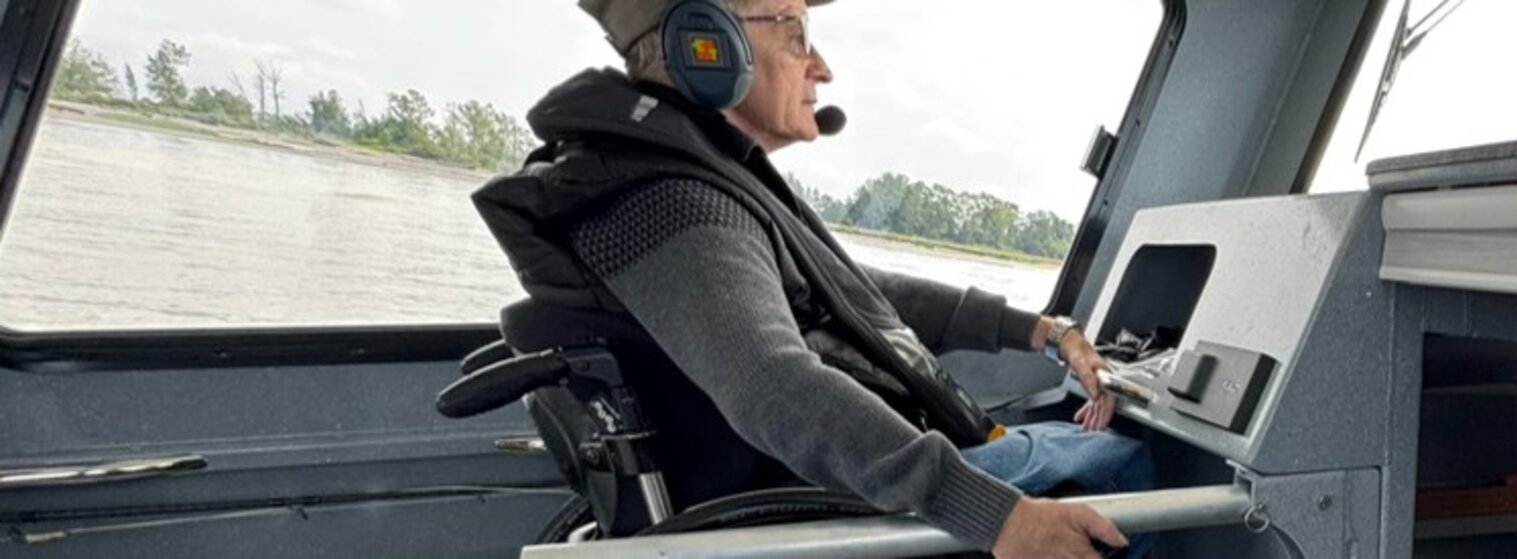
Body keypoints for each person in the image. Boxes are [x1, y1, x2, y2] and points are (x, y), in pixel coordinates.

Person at [470, 1, 1146, 557]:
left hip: (819, 496)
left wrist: (1041, 330)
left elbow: (855, 295)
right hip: (823, 514)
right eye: (794, 31)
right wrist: (997, 517)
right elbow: (772, 384)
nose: (820, 66)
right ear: (708, 43)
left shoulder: (679, 182)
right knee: (1120, 466)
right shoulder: (673, 202)